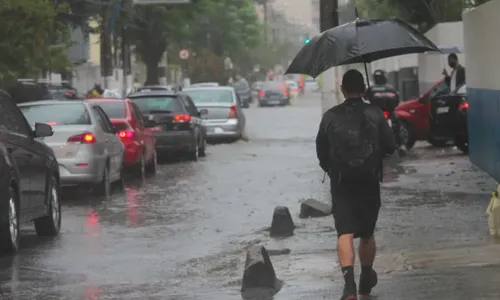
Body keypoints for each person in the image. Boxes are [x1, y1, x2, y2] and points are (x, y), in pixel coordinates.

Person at [316, 69, 396, 300]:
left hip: (341, 182)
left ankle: (349, 286)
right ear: (363, 89)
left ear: (342, 89)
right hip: (369, 180)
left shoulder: (330, 116)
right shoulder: (375, 113)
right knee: (367, 233)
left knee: (345, 232)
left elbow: (321, 153)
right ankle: (366, 278)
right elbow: (390, 146)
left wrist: (332, 170)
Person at [364, 70, 403, 150]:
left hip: (375, 113)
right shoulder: (391, 87)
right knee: (397, 124)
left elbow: (365, 98)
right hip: (390, 112)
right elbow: (397, 100)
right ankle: (401, 144)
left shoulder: (371, 88)